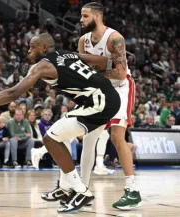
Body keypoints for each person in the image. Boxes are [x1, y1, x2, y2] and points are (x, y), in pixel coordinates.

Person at [0, 33, 121, 213]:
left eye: (32, 46)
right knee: (58, 137)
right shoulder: (67, 55)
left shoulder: (43, 65)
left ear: (44, 48)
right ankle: (65, 187)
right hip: (104, 97)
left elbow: (13, 93)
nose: (28, 49)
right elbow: (101, 61)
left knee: (51, 139)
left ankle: (81, 191)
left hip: (99, 102)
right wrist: (93, 80)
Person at [77, 2, 141, 210]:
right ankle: (82, 189)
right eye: (81, 16)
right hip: (100, 88)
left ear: (97, 16)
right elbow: (83, 72)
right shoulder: (82, 41)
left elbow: (121, 73)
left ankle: (132, 191)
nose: (81, 20)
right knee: (88, 136)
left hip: (121, 87)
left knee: (116, 136)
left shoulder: (115, 39)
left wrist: (94, 75)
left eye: (85, 16)